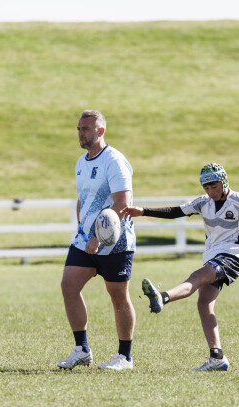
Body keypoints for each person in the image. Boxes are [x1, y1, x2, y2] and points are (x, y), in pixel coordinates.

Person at [121, 163, 239, 371]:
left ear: (224, 181)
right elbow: (175, 211)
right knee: (204, 303)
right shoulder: (203, 202)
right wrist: (143, 211)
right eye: (206, 188)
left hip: (233, 257)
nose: (210, 192)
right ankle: (217, 357)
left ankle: (162, 297)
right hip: (213, 256)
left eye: (214, 186)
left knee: (197, 276)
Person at [56, 109, 136, 371]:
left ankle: (124, 357)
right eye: (79, 129)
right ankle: (82, 350)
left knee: (118, 296)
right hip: (85, 241)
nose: (80, 133)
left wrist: (98, 238)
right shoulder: (81, 162)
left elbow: (122, 203)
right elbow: (83, 198)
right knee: (69, 285)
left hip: (115, 243)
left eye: (86, 129)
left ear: (100, 131)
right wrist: (83, 230)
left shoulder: (114, 161)